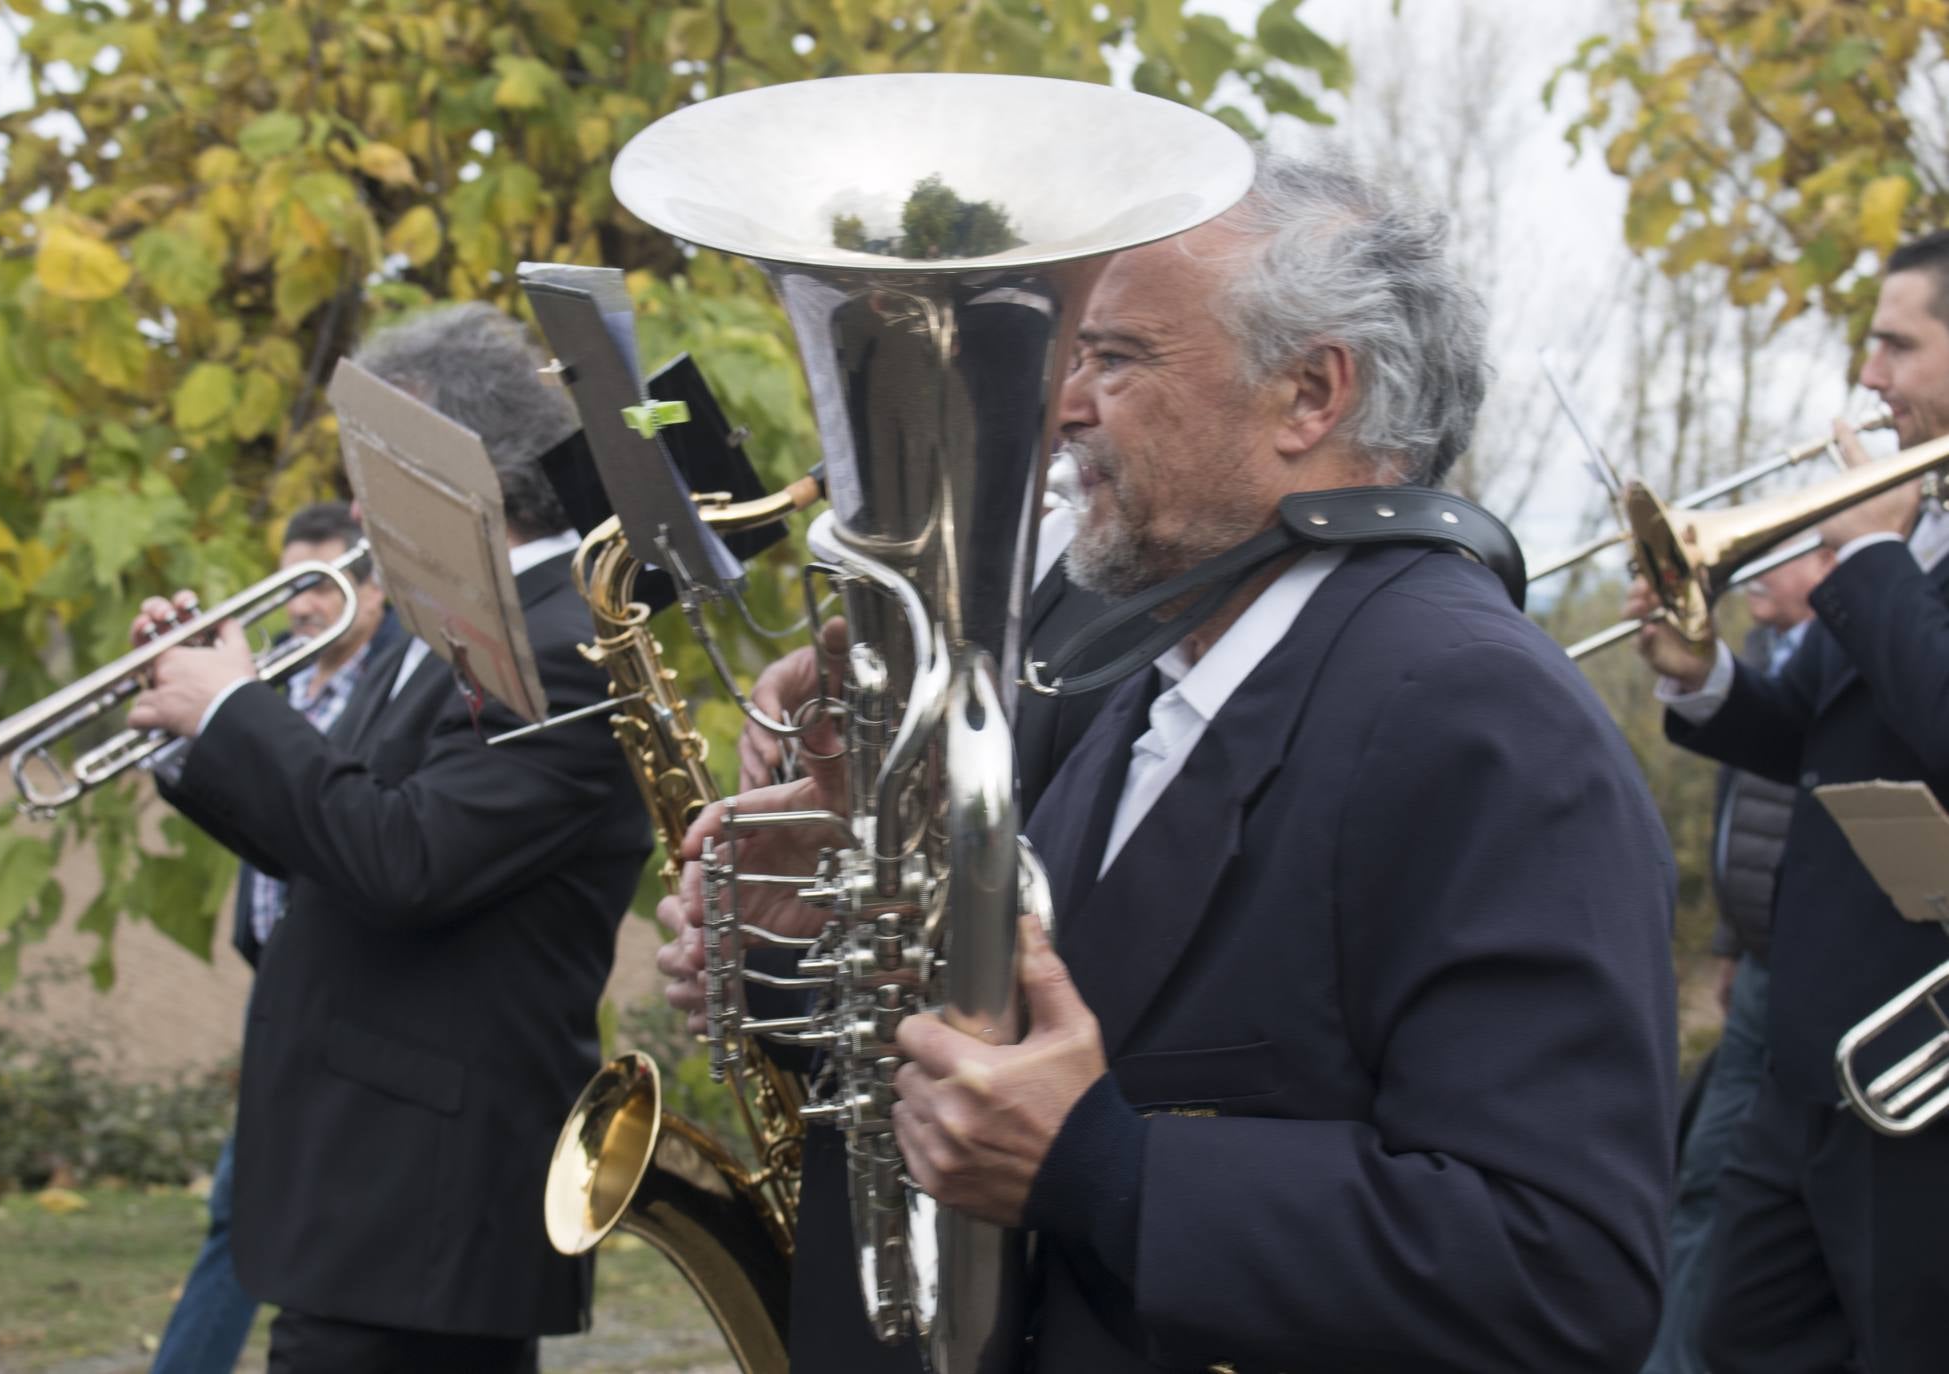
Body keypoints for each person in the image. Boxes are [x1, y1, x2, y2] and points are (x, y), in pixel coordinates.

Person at [660, 148, 1679, 1372]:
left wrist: (1108, 1167)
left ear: (1311, 395)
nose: (1065, 408)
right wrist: (804, 955)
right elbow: (1017, 1069)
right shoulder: (1158, 671)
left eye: (1116, 359)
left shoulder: (1482, 714)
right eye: (1077, 359)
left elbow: (1563, 1274)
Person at [130, 303, 651, 1373]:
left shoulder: (559, 645)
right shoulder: (453, 615)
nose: (358, 501)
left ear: (458, 463)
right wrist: (194, 734)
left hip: (428, 1195)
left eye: (375, 462)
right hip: (370, 1178)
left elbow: (403, 858)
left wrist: (237, 712)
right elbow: (334, 829)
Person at [727, 454, 1154, 1373]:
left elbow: (1079, 942)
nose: (1078, 398)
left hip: (1015, 1253)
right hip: (881, 1196)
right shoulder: (906, 600)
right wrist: (779, 950)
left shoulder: (1140, 596)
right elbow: (889, 935)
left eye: (1112, 355)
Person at [1628, 230, 1949, 1374]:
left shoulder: (1892, 551)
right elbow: (1807, 730)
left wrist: (1867, 564)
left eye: (1897, 347)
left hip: (1919, 1086)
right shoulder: (1920, 536)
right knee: (1745, 1334)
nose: (1870, 377)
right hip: (1809, 1064)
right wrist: (1699, 674)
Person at [149, 501, 400, 1374]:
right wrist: (179, 710)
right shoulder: (285, 688)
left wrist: (230, 707)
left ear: (372, 595)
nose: (300, 607)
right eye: (290, 584)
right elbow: (257, 818)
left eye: (317, 583)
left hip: (359, 986)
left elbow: (338, 817)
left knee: (248, 1203)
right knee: (244, 1205)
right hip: (285, 979)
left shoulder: (388, 686)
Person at [1639, 549, 1829, 1374]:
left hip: (1820, 972)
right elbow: (1742, 799)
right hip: (1761, 966)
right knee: (1706, 1177)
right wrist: (1725, 939)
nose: (1761, 574)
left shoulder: (1870, 626)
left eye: (1804, 553)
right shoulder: (1773, 656)